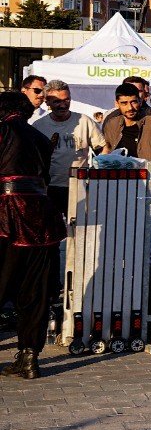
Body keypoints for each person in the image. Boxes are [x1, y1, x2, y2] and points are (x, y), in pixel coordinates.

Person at [0, 91, 67, 380]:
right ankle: (29, 358)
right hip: (42, 217)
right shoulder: (40, 137)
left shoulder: (3, 130)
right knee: (35, 290)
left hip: (7, 215)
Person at [32, 80, 104, 219]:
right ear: (47, 102)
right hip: (49, 187)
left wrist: (97, 170)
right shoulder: (39, 126)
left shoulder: (84, 121)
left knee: (79, 229)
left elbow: (103, 147)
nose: (63, 105)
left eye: (66, 100)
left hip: (79, 185)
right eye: (57, 101)